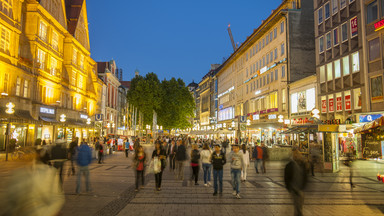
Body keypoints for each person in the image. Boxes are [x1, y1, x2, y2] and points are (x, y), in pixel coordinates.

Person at [284, 150, 307, 216]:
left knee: (299, 207)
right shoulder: (290, 165)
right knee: (298, 208)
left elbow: (305, 176)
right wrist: (289, 187)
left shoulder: (302, 164)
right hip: (294, 189)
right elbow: (286, 177)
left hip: (300, 189)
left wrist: (303, 186)